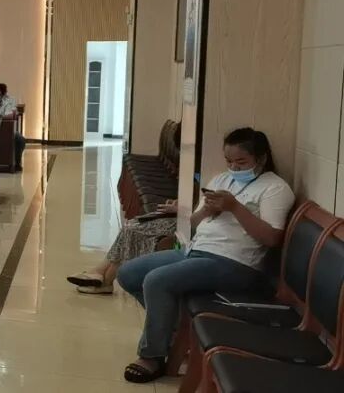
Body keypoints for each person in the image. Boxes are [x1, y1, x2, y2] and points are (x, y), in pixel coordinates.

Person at [115, 128, 294, 384]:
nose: (234, 168)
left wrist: (235, 208)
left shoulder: (275, 188)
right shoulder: (222, 180)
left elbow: (272, 238)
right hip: (197, 251)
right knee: (128, 273)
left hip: (236, 263)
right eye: (229, 161)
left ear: (261, 158)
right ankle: (174, 332)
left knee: (157, 280)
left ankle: (152, 355)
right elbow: (195, 221)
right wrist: (208, 211)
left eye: (241, 162)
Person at [67, 201, 178, 295]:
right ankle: (101, 273)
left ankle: (105, 278)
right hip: (176, 216)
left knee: (132, 232)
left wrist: (178, 209)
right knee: (130, 226)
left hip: (180, 223)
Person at [0, 83, 26, 171]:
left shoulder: (7, 103)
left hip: (6, 129)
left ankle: (16, 163)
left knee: (20, 139)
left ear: (2, 96)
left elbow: (10, 115)